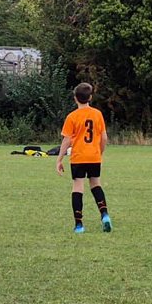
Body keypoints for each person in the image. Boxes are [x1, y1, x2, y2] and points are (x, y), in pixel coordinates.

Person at [56, 82, 111, 234]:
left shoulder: (72, 117)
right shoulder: (97, 114)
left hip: (78, 157)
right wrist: (99, 152)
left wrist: (59, 159)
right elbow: (104, 137)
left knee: (78, 187)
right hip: (94, 156)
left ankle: (79, 225)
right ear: (90, 97)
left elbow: (67, 140)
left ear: (75, 98)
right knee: (96, 184)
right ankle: (105, 215)